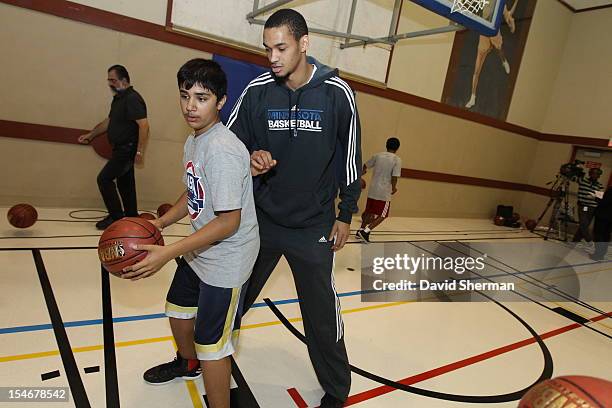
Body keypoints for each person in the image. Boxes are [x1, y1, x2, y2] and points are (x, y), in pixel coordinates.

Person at [227, 9, 361, 408]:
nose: (272, 57)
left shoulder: (337, 92)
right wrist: (251, 156)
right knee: (230, 298)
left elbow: (350, 159)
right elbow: (228, 147)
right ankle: (196, 357)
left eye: (281, 47)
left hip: (313, 224)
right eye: (267, 48)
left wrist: (345, 213)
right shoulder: (257, 91)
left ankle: (337, 390)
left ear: (304, 43)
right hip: (261, 219)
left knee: (321, 315)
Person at [122, 59, 259, 408]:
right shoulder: (196, 139)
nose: (190, 107)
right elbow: (194, 191)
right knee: (179, 309)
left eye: (202, 98)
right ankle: (187, 364)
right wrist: (162, 223)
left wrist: (168, 251)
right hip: (201, 248)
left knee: (213, 345)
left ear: (221, 102)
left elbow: (228, 222)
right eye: (185, 96)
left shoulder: (223, 150)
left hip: (227, 258)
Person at [78, 65, 149, 230]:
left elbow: (144, 126)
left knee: (104, 179)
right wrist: (91, 134)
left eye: (113, 80)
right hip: (120, 148)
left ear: (124, 80)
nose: (109, 83)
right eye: (108, 80)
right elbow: (109, 122)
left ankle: (116, 217)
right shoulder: (119, 99)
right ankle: (131, 216)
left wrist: (139, 151)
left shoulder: (132, 98)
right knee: (126, 183)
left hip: (127, 149)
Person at [465, 0, 518, 109]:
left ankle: (504, 61)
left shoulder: (501, 4)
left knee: (499, 49)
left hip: (494, 33)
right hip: (484, 36)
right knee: (476, 70)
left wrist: (511, 23)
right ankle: (473, 97)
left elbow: (509, 19)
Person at [356, 137, 401, 243]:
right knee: (383, 215)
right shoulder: (397, 160)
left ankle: (361, 230)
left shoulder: (378, 155)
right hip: (384, 192)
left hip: (373, 189)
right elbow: (394, 176)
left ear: (386, 145)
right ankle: (366, 231)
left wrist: (362, 173)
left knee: (368, 212)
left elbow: (365, 165)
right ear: (397, 148)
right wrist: (394, 187)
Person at [573, 168, 604, 243]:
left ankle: (575, 240)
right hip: (584, 206)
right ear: (590, 174)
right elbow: (572, 177)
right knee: (584, 223)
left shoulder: (599, 185)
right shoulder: (583, 180)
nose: (595, 175)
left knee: (585, 225)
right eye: (593, 173)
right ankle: (589, 241)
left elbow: (600, 197)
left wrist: (595, 196)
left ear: (599, 176)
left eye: (597, 174)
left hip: (592, 207)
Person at [591, 186, 611, 261]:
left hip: (603, 215)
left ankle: (597, 254)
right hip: (610, 218)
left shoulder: (611, 190)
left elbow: (605, 202)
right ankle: (602, 254)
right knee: (606, 235)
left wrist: (597, 198)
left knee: (598, 234)